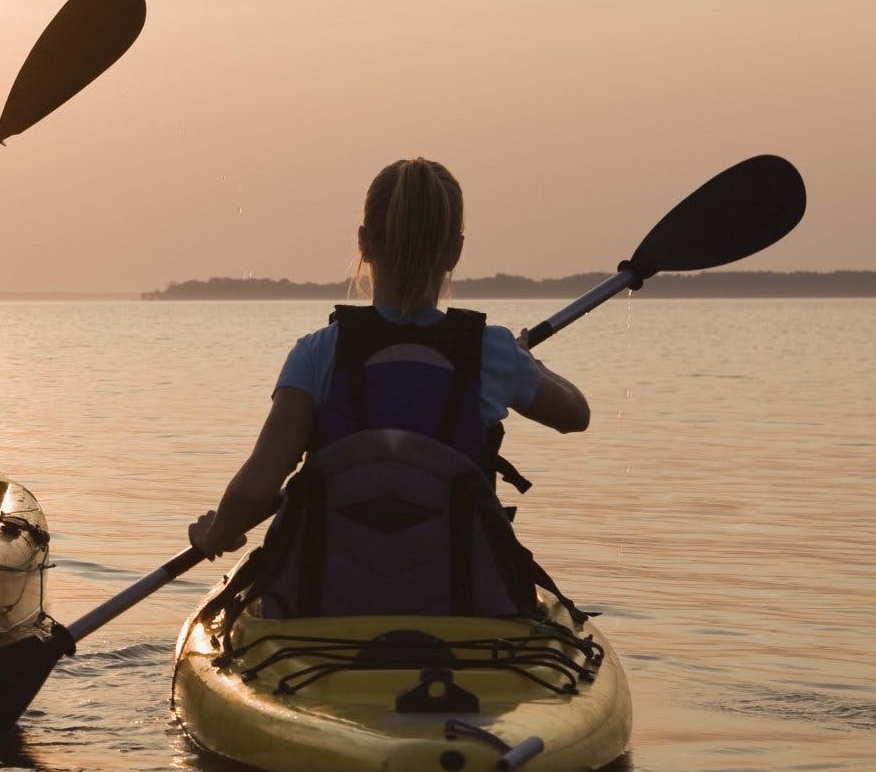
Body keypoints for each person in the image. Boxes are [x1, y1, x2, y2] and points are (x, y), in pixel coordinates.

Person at [187, 157, 590, 617]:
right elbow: (576, 414)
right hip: (460, 607)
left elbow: (258, 488)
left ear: (364, 243)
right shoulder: (491, 353)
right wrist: (526, 363)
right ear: (455, 252)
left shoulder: (317, 353)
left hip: (326, 605)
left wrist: (218, 534)